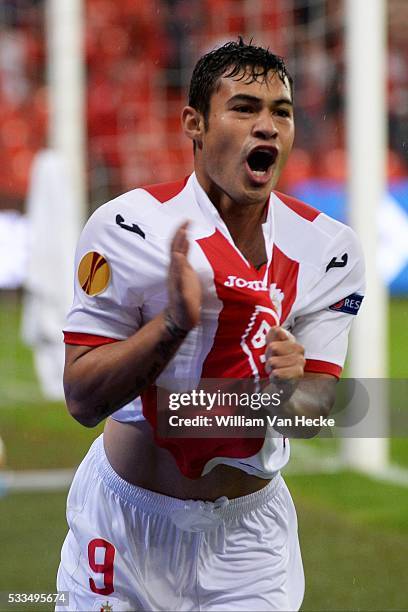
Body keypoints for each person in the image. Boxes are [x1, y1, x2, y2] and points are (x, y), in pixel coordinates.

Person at [57, 39, 365, 611]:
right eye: (244, 108)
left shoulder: (329, 251)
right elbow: (81, 399)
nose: (267, 126)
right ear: (194, 123)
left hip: (250, 544)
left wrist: (286, 392)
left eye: (281, 111)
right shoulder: (127, 227)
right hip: (126, 528)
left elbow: (313, 414)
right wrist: (170, 327)